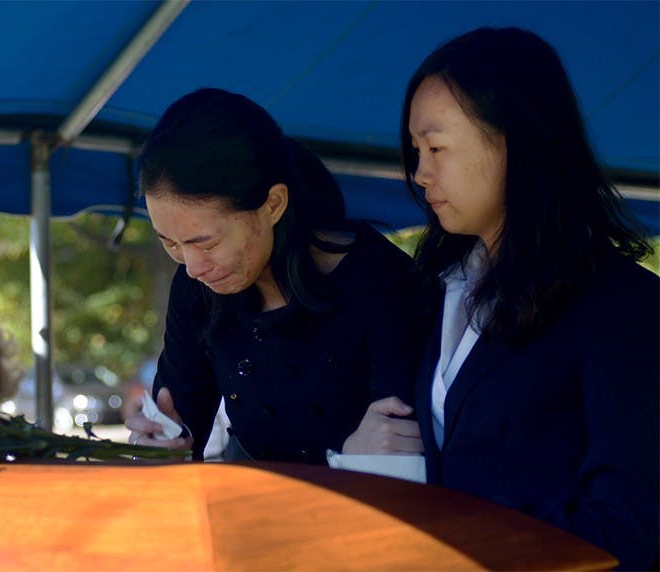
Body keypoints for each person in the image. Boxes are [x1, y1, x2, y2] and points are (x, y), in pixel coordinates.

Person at [384, 27, 657, 569]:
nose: (420, 173)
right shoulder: (444, 288)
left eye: (437, 147)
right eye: (416, 150)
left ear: (518, 142)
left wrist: (453, 536)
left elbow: (627, 531)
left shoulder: (624, 307)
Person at [125, 87, 429, 463]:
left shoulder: (382, 283)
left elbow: (402, 447)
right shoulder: (196, 289)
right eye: (170, 243)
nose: (193, 267)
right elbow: (178, 417)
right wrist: (162, 443)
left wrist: (357, 458)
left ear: (273, 204)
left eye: (207, 243)